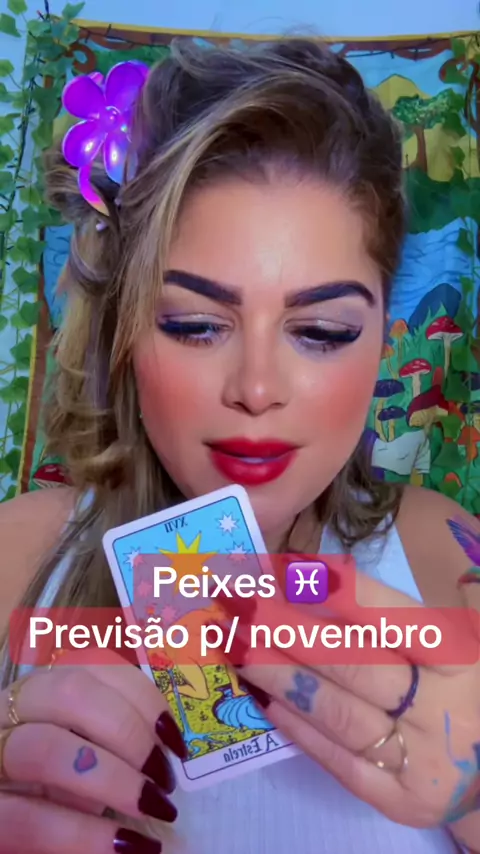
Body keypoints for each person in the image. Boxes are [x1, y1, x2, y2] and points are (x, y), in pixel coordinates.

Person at [0, 37, 478, 854]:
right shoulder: (15, 555)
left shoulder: (446, 560)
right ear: (125, 333)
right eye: (195, 324)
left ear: (381, 341)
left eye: (322, 331)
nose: (256, 388)